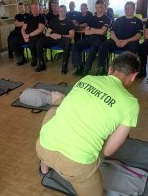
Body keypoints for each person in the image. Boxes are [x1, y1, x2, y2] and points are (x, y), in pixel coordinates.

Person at [36, 52, 140, 196]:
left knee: (54, 111)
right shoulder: (131, 104)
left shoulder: (88, 78)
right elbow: (108, 151)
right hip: (75, 167)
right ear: (133, 76)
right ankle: (53, 164)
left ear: (110, 69)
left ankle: (44, 167)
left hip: (42, 147)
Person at [97, 1, 143, 75]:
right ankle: (101, 68)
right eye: (126, 8)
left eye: (129, 8)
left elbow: (138, 36)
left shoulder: (138, 21)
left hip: (130, 42)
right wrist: (117, 40)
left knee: (133, 48)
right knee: (103, 46)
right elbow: (112, 33)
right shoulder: (118, 20)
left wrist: (126, 41)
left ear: (134, 9)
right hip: (116, 40)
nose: (127, 10)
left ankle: (127, 72)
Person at [72, 0, 111, 77]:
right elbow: (86, 32)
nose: (98, 9)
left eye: (99, 7)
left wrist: (91, 29)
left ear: (103, 8)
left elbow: (102, 32)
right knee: (75, 46)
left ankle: (87, 69)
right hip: (89, 39)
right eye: (96, 7)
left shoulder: (107, 18)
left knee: (93, 48)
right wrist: (95, 30)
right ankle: (80, 67)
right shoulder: (91, 18)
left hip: (100, 39)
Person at [36, 5, 75, 74]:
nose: (61, 12)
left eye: (63, 11)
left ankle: (64, 66)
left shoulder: (69, 22)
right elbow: (47, 33)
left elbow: (72, 35)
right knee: (39, 42)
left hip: (63, 39)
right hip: (52, 38)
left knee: (67, 42)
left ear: (66, 11)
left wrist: (60, 36)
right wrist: (51, 35)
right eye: (60, 11)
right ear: (58, 12)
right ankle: (42, 64)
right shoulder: (54, 21)